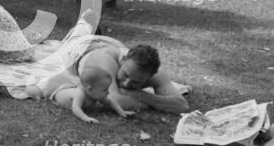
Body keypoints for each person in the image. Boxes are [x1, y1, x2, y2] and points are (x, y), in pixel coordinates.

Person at [55, 12, 190, 115]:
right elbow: (115, 99)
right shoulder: (104, 60)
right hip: (81, 48)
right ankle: (84, 25)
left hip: (110, 43)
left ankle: (91, 28)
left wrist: (141, 95)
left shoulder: (156, 73)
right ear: (123, 59)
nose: (126, 84)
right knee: (75, 37)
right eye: (125, 74)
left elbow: (182, 106)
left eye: (136, 83)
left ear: (150, 76)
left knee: (93, 35)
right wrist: (158, 102)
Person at [25, 65, 134, 124]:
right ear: (90, 89)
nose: (108, 92)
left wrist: (121, 111)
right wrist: (85, 118)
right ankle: (30, 80)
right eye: (105, 89)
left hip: (68, 85)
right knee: (32, 91)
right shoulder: (80, 94)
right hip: (54, 88)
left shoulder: (96, 94)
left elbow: (110, 101)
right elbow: (75, 108)